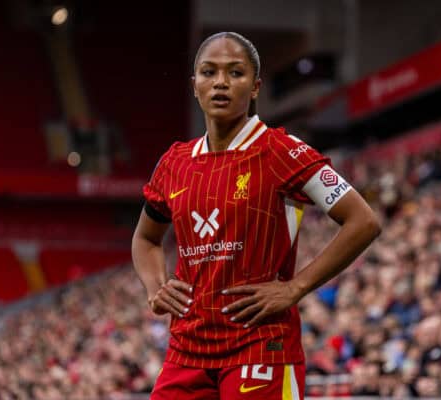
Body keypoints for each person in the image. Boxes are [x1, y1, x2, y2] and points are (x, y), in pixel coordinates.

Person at [131, 31, 381, 400]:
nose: (220, 83)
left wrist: (295, 287)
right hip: (186, 351)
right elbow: (146, 238)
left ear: (255, 87)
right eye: (209, 72)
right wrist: (156, 288)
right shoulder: (173, 163)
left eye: (235, 73)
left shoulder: (281, 151)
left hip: (261, 347)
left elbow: (363, 221)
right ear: (194, 85)